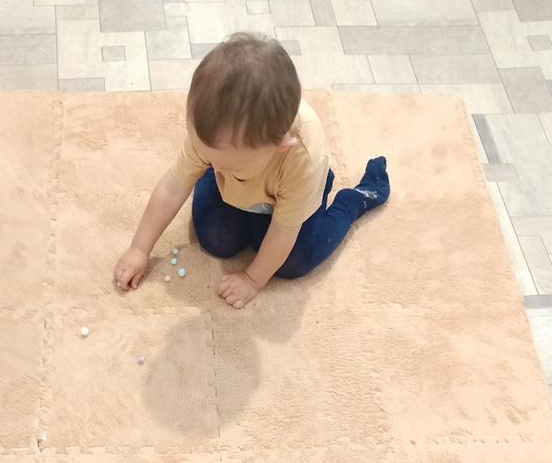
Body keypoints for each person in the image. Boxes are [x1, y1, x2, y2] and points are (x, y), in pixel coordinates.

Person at [113, 32, 389, 310]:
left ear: (278, 145)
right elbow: (172, 187)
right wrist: (140, 248)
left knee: (295, 261)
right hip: (241, 191)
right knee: (215, 239)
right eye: (208, 160)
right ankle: (245, 204)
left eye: (224, 164)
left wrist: (253, 279)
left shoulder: (303, 160)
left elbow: (284, 230)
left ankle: (351, 202)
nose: (214, 166)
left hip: (291, 199)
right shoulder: (212, 131)